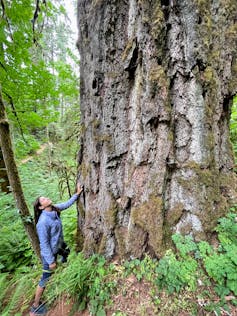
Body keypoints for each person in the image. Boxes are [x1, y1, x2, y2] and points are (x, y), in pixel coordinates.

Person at [30, 183, 83, 316]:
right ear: (41, 207)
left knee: (68, 256)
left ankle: (66, 276)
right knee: (45, 277)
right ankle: (35, 307)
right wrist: (51, 261)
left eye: (45, 197)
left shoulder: (53, 210)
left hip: (60, 246)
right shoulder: (42, 223)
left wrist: (77, 194)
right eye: (43, 200)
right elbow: (44, 244)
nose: (46, 198)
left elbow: (66, 204)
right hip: (50, 253)